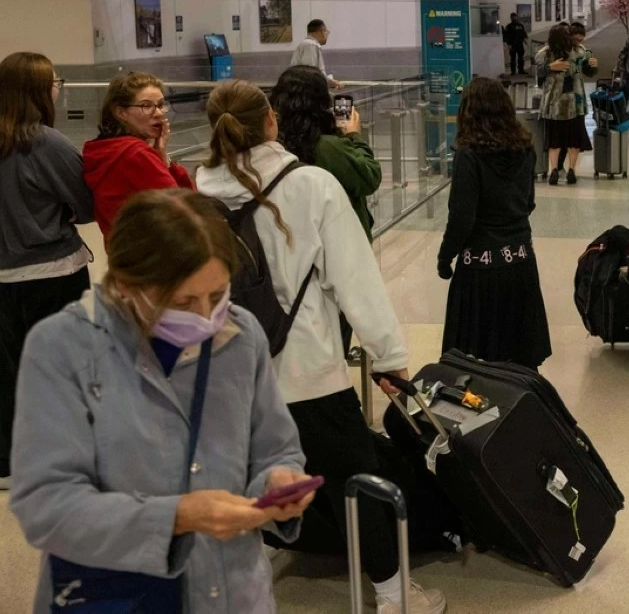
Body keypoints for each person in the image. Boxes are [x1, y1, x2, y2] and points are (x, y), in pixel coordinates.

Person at [195, 81, 444, 614]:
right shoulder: (311, 184)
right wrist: (389, 356)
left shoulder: (201, 188)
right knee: (354, 479)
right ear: (269, 122)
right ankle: (395, 596)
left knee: (248, 476)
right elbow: (356, 282)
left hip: (230, 371)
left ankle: (250, 584)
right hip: (308, 369)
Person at [9, 188, 313, 612]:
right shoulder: (63, 347)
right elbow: (46, 506)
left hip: (231, 592)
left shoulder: (241, 337)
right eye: (184, 302)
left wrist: (279, 481)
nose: (207, 317)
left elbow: (275, 447)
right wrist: (177, 517)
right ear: (128, 284)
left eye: (218, 294)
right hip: (114, 593)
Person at [0, 52, 94, 492]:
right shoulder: (45, 143)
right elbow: (85, 202)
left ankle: (10, 462)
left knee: (9, 371)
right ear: (40, 90)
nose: (59, 87)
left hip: (4, 279)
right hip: (51, 273)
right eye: (55, 80)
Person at [436, 78, 551, 368]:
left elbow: (462, 216)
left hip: (480, 267)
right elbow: (529, 202)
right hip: (520, 259)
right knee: (520, 351)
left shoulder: (469, 154)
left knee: (475, 356)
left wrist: (445, 257)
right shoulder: (525, 147)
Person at [269, 65, 381, 239]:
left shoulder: (274, 144)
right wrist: (353, 135)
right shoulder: (328, 147)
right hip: (339, 240)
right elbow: (369, 176)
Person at [83, 71, 195, 239]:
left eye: (160, 104)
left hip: (126, 254)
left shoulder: (105, 150)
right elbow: (188, 208)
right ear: (121, 113)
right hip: (158, 255)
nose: (158, 113)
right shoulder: (136, 154)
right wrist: (163, 162)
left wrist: (161, 156)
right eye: (146, 106)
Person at [537, 24, 595, 186]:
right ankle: (571, 170)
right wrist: (592, 66)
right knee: (574, 139)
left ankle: (554, 170)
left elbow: (538, 72)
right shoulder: (578, 52)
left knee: (554, 139)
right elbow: (588, 66)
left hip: (553, 103)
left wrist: (549, 68)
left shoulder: (545, 54)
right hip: (575, 102)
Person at [290, 18, 338, 87]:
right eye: (326, 32)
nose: (327, 35)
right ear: (320, 32)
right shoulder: (310, 45)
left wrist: (328, 81)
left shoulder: (309, 44)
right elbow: (310, 73)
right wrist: (330, 82)